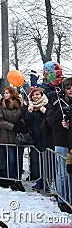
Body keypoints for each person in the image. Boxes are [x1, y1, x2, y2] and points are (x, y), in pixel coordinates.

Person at [47, 77, 72, 213]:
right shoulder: (57, 101)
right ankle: (63, 199)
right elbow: (50, 122)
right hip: (61, 141)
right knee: (63, 173)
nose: (71, 90)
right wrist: (60, 111)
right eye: (68, 88)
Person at [0, 86, 27, 192]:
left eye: (7, 93)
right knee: (11, 159)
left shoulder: (20, 104)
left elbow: (24, 116)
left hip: (18, 136)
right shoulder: (1, 105)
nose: (5, 95)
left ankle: (18, 180)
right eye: (4, 93)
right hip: (7, 136)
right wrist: (12, 126)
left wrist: (21, 123)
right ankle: (12, 180)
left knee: (19, 159)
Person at [25, 87, 48, 189]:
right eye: (33, 95)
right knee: (36, 161)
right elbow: (27, 123)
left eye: (37, 94)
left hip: (46, 138)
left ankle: (46, 181)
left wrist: (45, 113)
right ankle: (40, 180)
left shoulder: (46, 105)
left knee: (46, 161)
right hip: (35, 138)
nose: (35, 97)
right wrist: (29, 113)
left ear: (41, 95)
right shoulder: (30, 107)